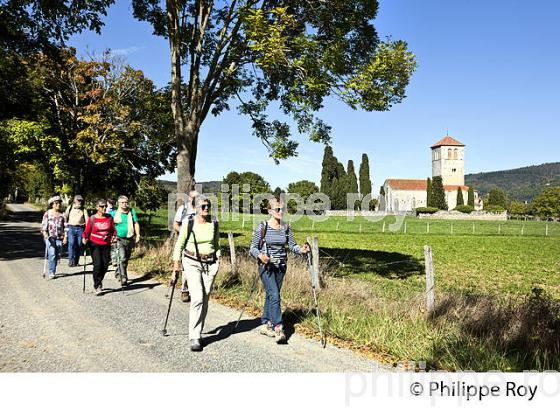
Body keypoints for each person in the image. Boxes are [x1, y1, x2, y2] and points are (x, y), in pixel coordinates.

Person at [249, 197, 310, 344]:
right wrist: (261, 256)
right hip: (266, 267)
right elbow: (252, 248)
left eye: (283, 209)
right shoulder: (262, 227)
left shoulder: (286, 227)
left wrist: (301, 250)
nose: (281, 212)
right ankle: (278, 328)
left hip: (282, 266)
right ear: (269, 211)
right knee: (275, 295)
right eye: (278, 209)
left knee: (272, 295)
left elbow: (292, 245)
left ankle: (265, 323)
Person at [171, 196, 220, 352]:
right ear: (197, 208)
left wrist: (218, 260)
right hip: (192, 262)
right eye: (203, 206)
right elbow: (179, 245)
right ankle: (195, 336)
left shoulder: (214, 223)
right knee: (197, 298)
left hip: (210, 264)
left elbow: (217, 244)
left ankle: (198, 330)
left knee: (205, 299)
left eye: (208, 206)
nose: (206, 209)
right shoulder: (188, 223)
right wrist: (176, 266)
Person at [82, 199, 116, 295]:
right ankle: (97, 285)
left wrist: (114, 236)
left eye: (105, 206)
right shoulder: (92, 218)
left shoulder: (109, 217)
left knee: (105, 266)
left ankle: (99, 280)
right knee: (97, 265)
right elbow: (87, 231)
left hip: (106, 244)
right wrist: (84, 238)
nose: (104, 208)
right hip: (94, 243)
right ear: (97, 208)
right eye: (102, 206)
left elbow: (113, 230)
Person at [173, 189, 199, 303]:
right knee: (186, 267)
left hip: (198, 243)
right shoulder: (183, 209)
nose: (195, 199)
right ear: (189, 198)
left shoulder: (202, 209)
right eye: (193, 197)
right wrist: (184, 233)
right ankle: (185, 290)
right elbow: (175, 224)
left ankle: (197, 289)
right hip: (186, 242)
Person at [110, 195, 140, 286]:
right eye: (122, 202)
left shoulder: (131, 212)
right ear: (118, 203)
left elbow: (136, 223)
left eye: (126, 202)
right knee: (122, 258)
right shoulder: (114, 213)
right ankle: (123, 277)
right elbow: (110, 226)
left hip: (130, 238)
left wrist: (138, 235)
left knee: (125, 259)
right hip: (119, 239)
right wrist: (111, 236)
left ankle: (118, 273)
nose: (124, 204)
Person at [41, 195, 68, 279]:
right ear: (52, 204)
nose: (58, 205)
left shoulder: (62, 215)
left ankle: (53, 269)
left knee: (57, 255)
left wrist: (65, 237)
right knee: (52, 254)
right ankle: (51, 271)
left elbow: (66, 227)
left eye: (59, 203)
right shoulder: (47, 213)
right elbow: (44, 225)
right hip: (50, 237)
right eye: (56, 203)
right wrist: (45, 234)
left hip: (59, 237)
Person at [64, 194, 89, 267]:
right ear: (74, 201)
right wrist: (65, 228)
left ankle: (76, 261)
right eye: (78, 200)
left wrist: (86, 233)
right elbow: (65, 217)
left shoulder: (84, 210)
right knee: (71, 244)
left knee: (78, 245)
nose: (80, 202)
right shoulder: (70, 207)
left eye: (81, 200)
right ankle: (71, 261)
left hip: (80, 229)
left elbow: (87, 222)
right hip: (71, 228)